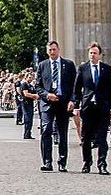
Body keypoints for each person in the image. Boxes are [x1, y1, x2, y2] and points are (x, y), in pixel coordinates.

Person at [72, 42, 111, 174]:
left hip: (102, 107)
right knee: (86, 137)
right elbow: (77, 88)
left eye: (95, 53)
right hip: (88, 107)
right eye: (91, 53)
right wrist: (76, 105)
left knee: (102, 137)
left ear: (100, 55)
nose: (92, 55)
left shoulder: (106, 69)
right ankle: (87, 162)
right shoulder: (83, 68)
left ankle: (102, 163)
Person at [35, 40, 75, 172]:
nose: (52, 52)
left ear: (58, 50)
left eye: (54, 49)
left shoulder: (68, 65)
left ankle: (62, 161)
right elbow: (38, 86)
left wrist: (72, 100)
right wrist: (47, 95)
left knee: (62, 133)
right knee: (46, 130)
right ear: (47, 51)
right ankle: (47, 162)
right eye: (50, 50)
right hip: (47, 103)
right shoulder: (42, 65)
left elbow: (74, 85)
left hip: (63, 102)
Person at [19, 70, 38, 139]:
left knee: (30, 118)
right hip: (25, 103)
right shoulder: (24, 84)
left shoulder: (31, 85)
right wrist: (35, 96)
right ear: (26, 77)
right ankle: (26, 134)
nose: (31, 79)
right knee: (27, 118)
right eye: (29, 77)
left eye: (32, 77)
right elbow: (26, 94)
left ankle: (28, 133)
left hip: (30, 102)